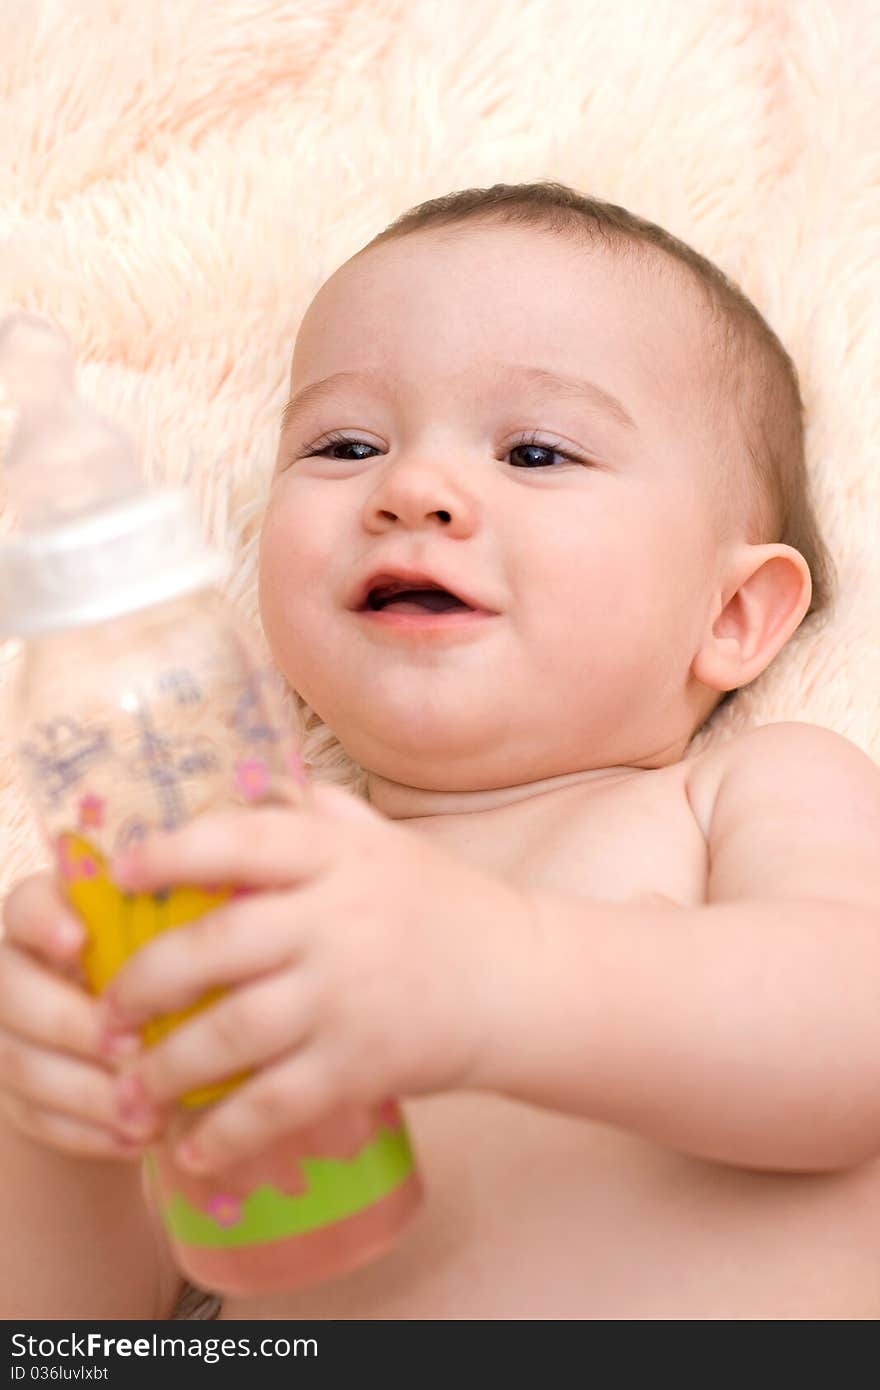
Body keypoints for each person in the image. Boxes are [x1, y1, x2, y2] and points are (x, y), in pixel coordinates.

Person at [3, 182, 879, 1321]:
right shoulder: (231, 895)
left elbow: (850, 1035)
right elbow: (81, 1334)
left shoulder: (749, 790)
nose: (411, 489)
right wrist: (59, 1124)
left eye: (535, 450)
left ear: (731, 615)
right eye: (347, 442)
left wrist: (496, 973)